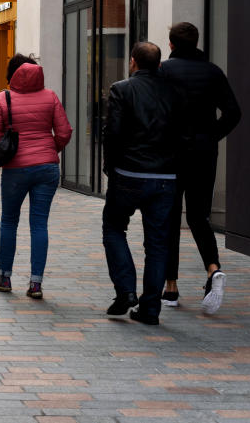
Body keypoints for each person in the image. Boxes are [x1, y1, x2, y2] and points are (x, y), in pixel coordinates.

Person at [159, 22, 241, 313]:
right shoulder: (213, 71)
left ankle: (170, 288)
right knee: (198, 216)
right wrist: (210, 136)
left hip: (170, 154)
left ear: (170, 45)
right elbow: (233, 112)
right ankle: (212, 268)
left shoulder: (164, 72)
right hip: (204, 153)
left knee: (169, 218)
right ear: (196, 42)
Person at [102, 42, 183, 325]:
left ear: (133, 61)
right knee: (158, 244)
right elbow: (184, 134)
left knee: (113, 227)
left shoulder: (122, 89)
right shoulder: (175, 92)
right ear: (159, 64)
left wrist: (109, 167)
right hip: (165, 178)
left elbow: (112, 132)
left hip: (129, 174)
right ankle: (150, 309)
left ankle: (125, 290)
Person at [0, 55, 73, 299]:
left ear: (13, 75)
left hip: (16, 168)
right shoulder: (50, 96)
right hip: (47, 168)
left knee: (9, 221)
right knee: (39, 223)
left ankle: (4, 277)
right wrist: (49, 148)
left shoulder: (3, 98)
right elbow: (64, 131)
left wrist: (6, 153)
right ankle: (35, 284)